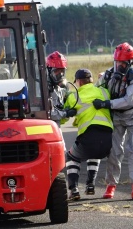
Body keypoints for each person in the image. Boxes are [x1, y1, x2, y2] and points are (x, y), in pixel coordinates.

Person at [93, 42, 133, 200]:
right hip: (116, 116)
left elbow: (128, 100)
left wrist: (106, 104)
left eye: (123, 63)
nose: (119, 66)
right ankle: (111, 186)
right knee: (113, 152)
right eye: (117, 62)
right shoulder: (109, 74)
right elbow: (97, 89)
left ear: (130, 63)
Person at [46, 52, 103, 198]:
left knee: (61, 160)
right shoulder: (43, 88)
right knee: (54, 161)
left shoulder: (59, 88)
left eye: (62, 71)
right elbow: (49, 112)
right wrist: (66, 113)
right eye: (56, 71)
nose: (60, 74)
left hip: (55, 128)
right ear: (48, 70)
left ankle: (66, 190)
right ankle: (53, 192)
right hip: (45, 129)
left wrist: (66, 112)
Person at [63, 68, 113, 201]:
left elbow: (63, 118)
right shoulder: (104, 91)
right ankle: (90, 185)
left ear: (78, 82)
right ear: (91, 80)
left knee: (71, 157)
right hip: (108, 139)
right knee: (95, 154)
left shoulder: (74, 96)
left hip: (89, 137)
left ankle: (73, 189)